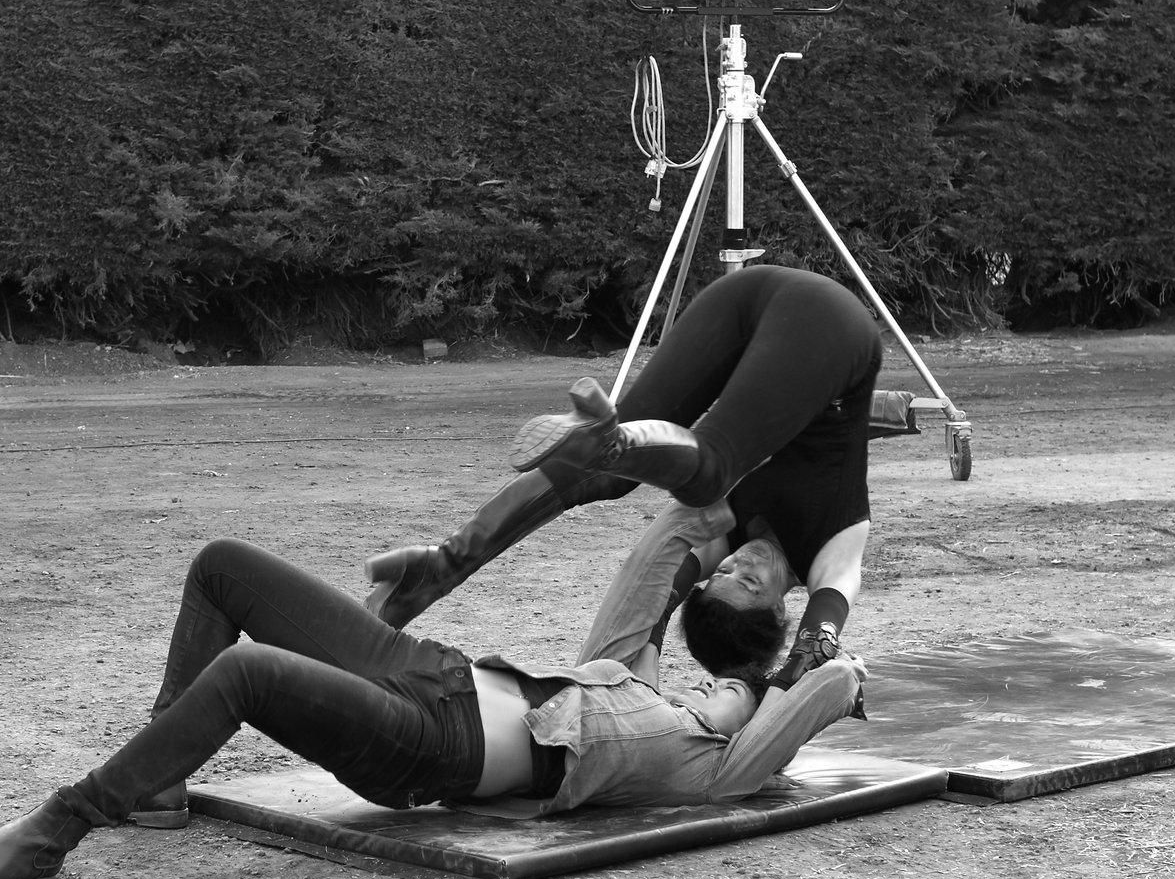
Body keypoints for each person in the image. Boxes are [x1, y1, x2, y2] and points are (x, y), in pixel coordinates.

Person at [0, 537, 866, 879]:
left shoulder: (711, 765)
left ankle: (58, 828)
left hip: (431, 748)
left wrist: (818, 659)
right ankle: (157, 788)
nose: (711, 694)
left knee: (247, 672)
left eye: (732, 698)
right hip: (429, 672)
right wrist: (717, 540)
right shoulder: (644, 685)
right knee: (221, 566)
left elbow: (820, 686)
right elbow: (656, 565)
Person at [366, 265, 883, 686]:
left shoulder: (725, 540)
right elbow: (815, 650)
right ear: (782, 610)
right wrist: (780, 689)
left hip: (742, 297)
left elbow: (658, 597)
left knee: (605, 477)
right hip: (835, 330)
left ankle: (442, 566)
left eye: (723, 575)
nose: (740, 563)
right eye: (749, 582)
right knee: (708, 477)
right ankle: (611, 442)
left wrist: (647, 669)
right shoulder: (833, 556)